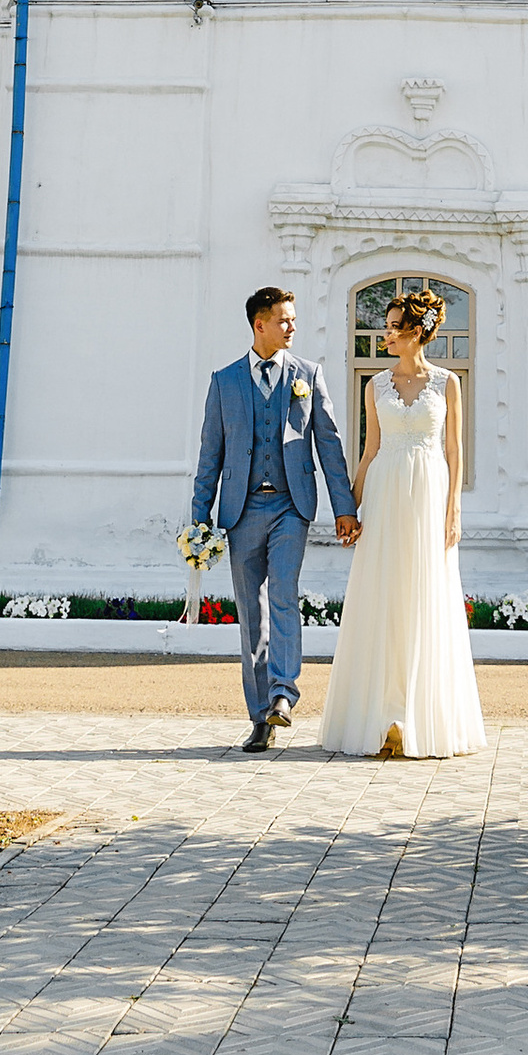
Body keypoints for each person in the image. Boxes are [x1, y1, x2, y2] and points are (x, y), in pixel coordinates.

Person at [316, 287, 486, 758]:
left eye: (393, 327)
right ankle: (381, 714)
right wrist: (349, 510)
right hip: (387, 491)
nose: (386, 333)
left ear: (416, 332)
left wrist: (453, 510)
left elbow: (454, 452)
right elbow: (369, 451)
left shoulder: (447, 383)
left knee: (425, 594)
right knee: (383, 593)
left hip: (430, 494)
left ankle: (422, 716)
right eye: (386, 326)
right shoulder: (375, 386)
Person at [191, 285, 359, 752]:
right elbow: (210, 456)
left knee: (283, 593)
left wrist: (345, 507)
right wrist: (199, 520)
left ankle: (284, 693)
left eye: (294, 319)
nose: (292, 326)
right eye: (284, 319)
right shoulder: (223, 382)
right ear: (258, 324)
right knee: (251, 614)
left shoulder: (308, 375)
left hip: (290, 506)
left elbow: (329, 443)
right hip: (241, 510)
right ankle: (261, 715)